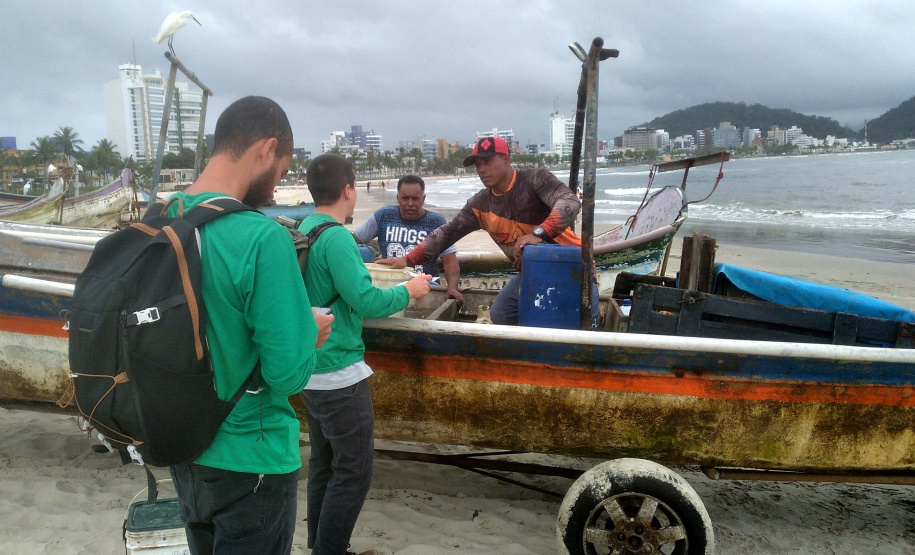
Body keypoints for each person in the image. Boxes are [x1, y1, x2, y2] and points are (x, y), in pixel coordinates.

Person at [167, 96, 334, 554]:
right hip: (250, 458)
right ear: (268, 148)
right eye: (281, 171)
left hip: (182, 447)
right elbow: (286, 374)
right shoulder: (262, 238)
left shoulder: (165, 218)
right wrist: (309, 335)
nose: (277, 185)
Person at [298, 153, 432, 555]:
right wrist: (409, 290)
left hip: (309, 367)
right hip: (340, 372)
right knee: (354, 470)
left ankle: (319, 545)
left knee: (324, 463)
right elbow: (367, 299)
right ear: (348, 190)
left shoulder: (304, 226)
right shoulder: (337, 237)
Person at [379, 136, 597, 326]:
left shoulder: (533, 179)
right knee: (499, 316)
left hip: (573, 270)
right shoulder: (480, 204)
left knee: (582, 326)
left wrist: (540, 233)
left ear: (506, 159)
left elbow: (569, 201)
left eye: (488, 161)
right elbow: (447, 233)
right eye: (477, 164)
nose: (482, 169)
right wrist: (407, 260)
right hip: (529, 275)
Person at [353, 174, 463, 304]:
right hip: (390, 290)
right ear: (398, 198)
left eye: (415, 199)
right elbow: (353, 242)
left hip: (426, 291)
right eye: (405, 198)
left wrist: (452, 288)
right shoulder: (383, 216)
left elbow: (450, 261)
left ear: (423, 199)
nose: (410, 203)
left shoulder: (436, 222)